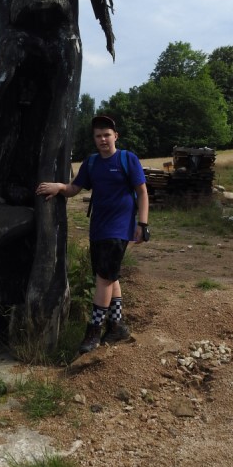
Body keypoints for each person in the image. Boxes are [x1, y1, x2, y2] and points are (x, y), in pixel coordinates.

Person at [36, 115, 149, 353]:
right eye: (98, 136)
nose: (103, 139)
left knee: (103, 279)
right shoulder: (92, 162)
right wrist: (59, 187)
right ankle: (116, 326)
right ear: (94, 139)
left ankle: (94, 331)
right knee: (108, 276)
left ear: (115, 136)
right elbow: (74, 188)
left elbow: (142, 191)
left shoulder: (127, 159)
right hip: (98, 228)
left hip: (119, 228)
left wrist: (143, 224)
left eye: (107, 135)